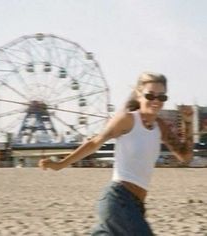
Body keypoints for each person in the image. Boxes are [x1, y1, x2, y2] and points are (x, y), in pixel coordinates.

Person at [38, 72, 193, 235]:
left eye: (161, 97)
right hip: (119, 199)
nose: (156, 101)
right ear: (139, 95)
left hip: (135, 206)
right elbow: (94, 143)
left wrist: (188, 122)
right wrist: (61, 164)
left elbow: (185, 156)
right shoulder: (127, 120)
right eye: (150, 95)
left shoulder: (160, 126)